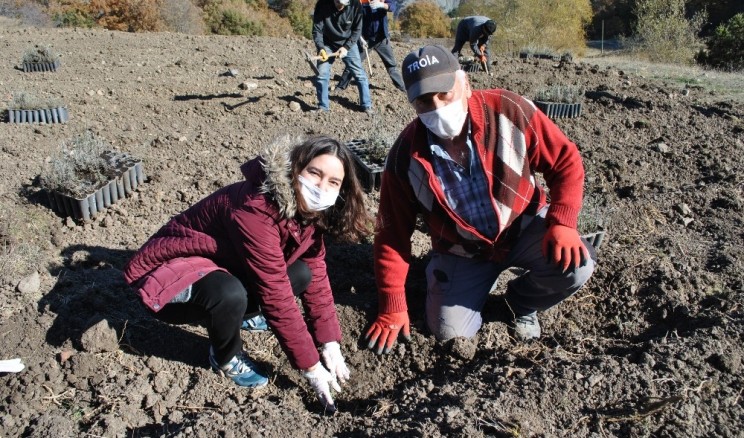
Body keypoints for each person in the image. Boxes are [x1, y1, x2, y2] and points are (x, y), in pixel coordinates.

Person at [365, 45, 597, 354]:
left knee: (577, 266)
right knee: (450, 334)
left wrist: (563, 222)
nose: (436, 106)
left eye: (443, 94)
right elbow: (392, 236)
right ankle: (452, 280)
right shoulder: (405, 157)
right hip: (462, 250)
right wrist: (393, 305)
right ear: (413, 104)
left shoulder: (508, 110)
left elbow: (565, 161)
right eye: (423, 101)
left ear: (464, 84)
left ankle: (521, 302)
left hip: (523, 226)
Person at [124, 135, 370, 411]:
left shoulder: (311, 214)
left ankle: (242, 316)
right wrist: (311, 368)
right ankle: (225, 356)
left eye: (333, 182)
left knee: (300, 273)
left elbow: (317, 275)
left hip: (223, 264)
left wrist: (329, 343)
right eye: (314, 173)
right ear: (296, 168)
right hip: (168, 281)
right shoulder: (256, 208)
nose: (321, 187)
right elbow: (275, 294)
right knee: (229, 295)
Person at [312, 0, 373, 113]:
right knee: (322, 75)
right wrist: (320, 48)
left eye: (343, 5)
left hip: (348, 42)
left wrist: (346, 47)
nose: (340, 7)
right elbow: (317, 30)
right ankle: (323, 107)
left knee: (359, 74)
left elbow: (357, 30)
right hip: (327, 43)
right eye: (338, 4)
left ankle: (366, 105)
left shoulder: (355, 5)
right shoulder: (322, 4)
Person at [337, 0, 405, 92]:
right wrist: (360, 38)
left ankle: (402, 87)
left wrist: (382, 5)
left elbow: (393, 6)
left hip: (381, 39)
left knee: (391, 65)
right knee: (353, 63)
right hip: (365, 40)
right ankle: (341, 86)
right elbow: (353, 20)